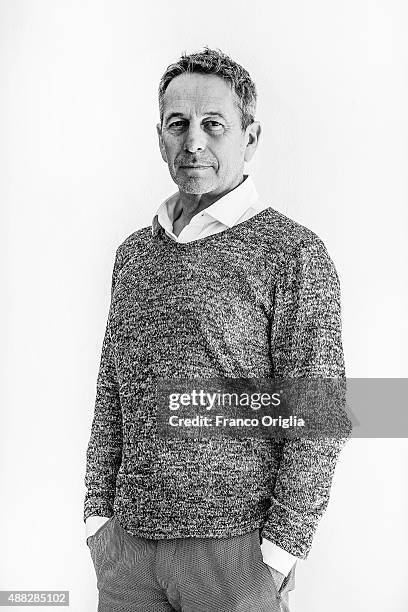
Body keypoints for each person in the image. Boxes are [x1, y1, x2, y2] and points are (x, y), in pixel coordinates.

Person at [83, 47, 347, 611]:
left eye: (213, 125)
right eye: (178, 124)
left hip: (234, 555)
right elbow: (113, 392)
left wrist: (278, 551)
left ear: (250, 136)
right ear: (159, 136)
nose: (193, 141)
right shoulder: (134, 254)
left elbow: (321, 410)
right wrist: (98, 516)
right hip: (128, 553)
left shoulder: (291, 252)